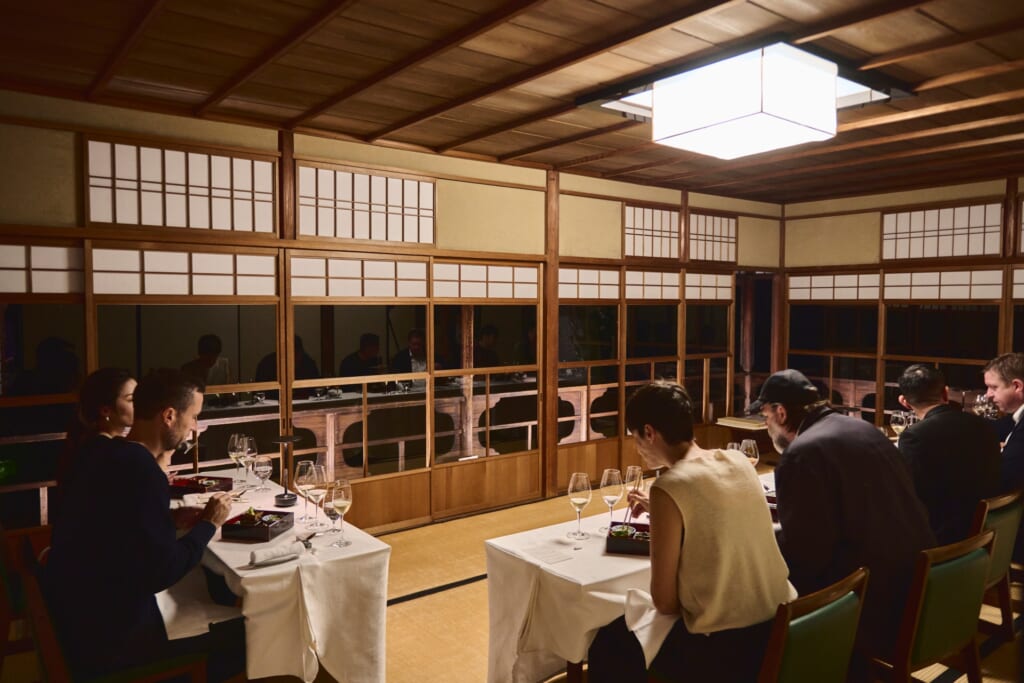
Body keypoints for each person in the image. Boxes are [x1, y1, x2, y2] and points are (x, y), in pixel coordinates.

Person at [588, 382, 795, 682]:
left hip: (726, 651)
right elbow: (714, 505)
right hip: (779, 627)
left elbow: (665, 602)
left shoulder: (668, 486)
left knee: (608, 644)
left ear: (649, 432)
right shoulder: (738, 461)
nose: (637, 449)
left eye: (635, 438)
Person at [44, 369, 243, 680]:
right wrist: (209, 523)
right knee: (246, 631)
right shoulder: (141, 470)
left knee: (208, 585)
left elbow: (119, 524)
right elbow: (162, 572)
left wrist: (171, 519)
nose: (194, 427)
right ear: (169, 416)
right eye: (193, 417)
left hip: (77, 612)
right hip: (110, 638)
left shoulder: (105, 451)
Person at [751, 369, 935, 668]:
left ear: (781, 413)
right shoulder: (862, 428)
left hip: (866, 606)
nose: (766, 425)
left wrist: (758, 544)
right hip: (917, 587)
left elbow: (806, 554)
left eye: (766, 417)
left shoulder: (802, 453)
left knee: (751, 609)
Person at [897, 364, 1001, 545]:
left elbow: (911, 494)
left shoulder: (914, 436)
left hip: (942, 538)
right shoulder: (982, 424)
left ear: (904, 402)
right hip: (985, 528)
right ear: (945, 393)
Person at [54, 367, 137, 514]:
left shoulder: (95, 443)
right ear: (105, 410)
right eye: (131, 399)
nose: (139, 404)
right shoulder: (105, 450)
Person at [983, 352, 1024, 491]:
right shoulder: (1016, 417)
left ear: (1017, 386)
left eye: (994, 387)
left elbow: (1005, 476)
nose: (988, 395)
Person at [254, 335, 320, 382]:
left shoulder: (308, 364)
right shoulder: (266, 365)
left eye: (297, 353)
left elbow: (317, 389)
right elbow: (259, 392)